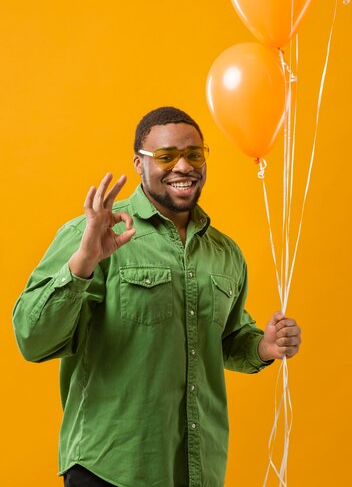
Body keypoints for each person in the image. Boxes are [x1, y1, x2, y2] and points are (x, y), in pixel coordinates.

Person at [13, 106, 301, 487]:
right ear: (139, 163)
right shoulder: (97, 232)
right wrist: (83, 260)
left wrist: (264, 347)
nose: (183, 166)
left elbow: (228, 340)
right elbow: (32, 338)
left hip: (198, 469)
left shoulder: (225, 253)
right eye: (166, 156)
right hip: (110, 468)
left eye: (194, 154)